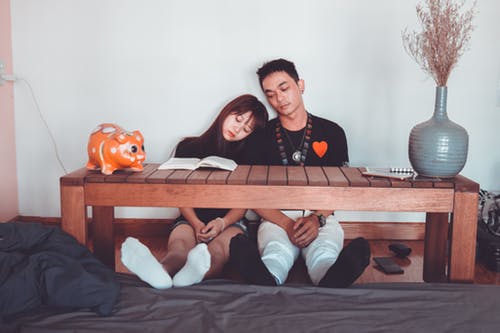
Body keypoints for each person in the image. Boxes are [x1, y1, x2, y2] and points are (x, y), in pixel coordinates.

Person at [229, 59, 371, 288]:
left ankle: (333, 277)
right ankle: (264, 277)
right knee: (276, 253)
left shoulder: (332, 132)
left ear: (300, 85)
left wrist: (317, 218)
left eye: (284, 88)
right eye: (271, 94)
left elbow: (341, 188)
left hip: (321, 215)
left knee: (324, 254)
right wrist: (285, 223)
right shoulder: (259, 137)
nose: (279, 98)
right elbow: (251, 194)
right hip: (276, 216)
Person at [120, 94, 268, 289]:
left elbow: (243, 202)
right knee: (178, 249)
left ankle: (192, 274)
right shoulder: (188, 146)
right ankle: (161, 271)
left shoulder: (249, 156)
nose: (237, 129)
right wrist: (196, 223)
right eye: (237, 119)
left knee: (217, 251)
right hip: (190, 218)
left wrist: (221, 223)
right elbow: (179, 194)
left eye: (246, 129)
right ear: (227, 112)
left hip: (231, 221)